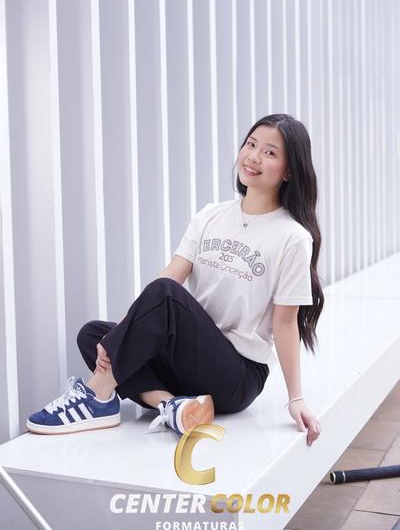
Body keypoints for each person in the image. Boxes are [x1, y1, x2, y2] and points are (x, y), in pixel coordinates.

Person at [26, 113, 324, 446]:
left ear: (289, 170)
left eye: (269, 152)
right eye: (251, 144)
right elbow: (173, 272)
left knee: (165, 296)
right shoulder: (211, 215)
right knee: (95, 335)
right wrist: (122, 333)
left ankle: (97, 397)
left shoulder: (292, 237)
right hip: (189, 362)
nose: (254, 156)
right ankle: (173, 406)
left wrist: (296, 398)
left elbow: (285, 323)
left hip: (236, 374)